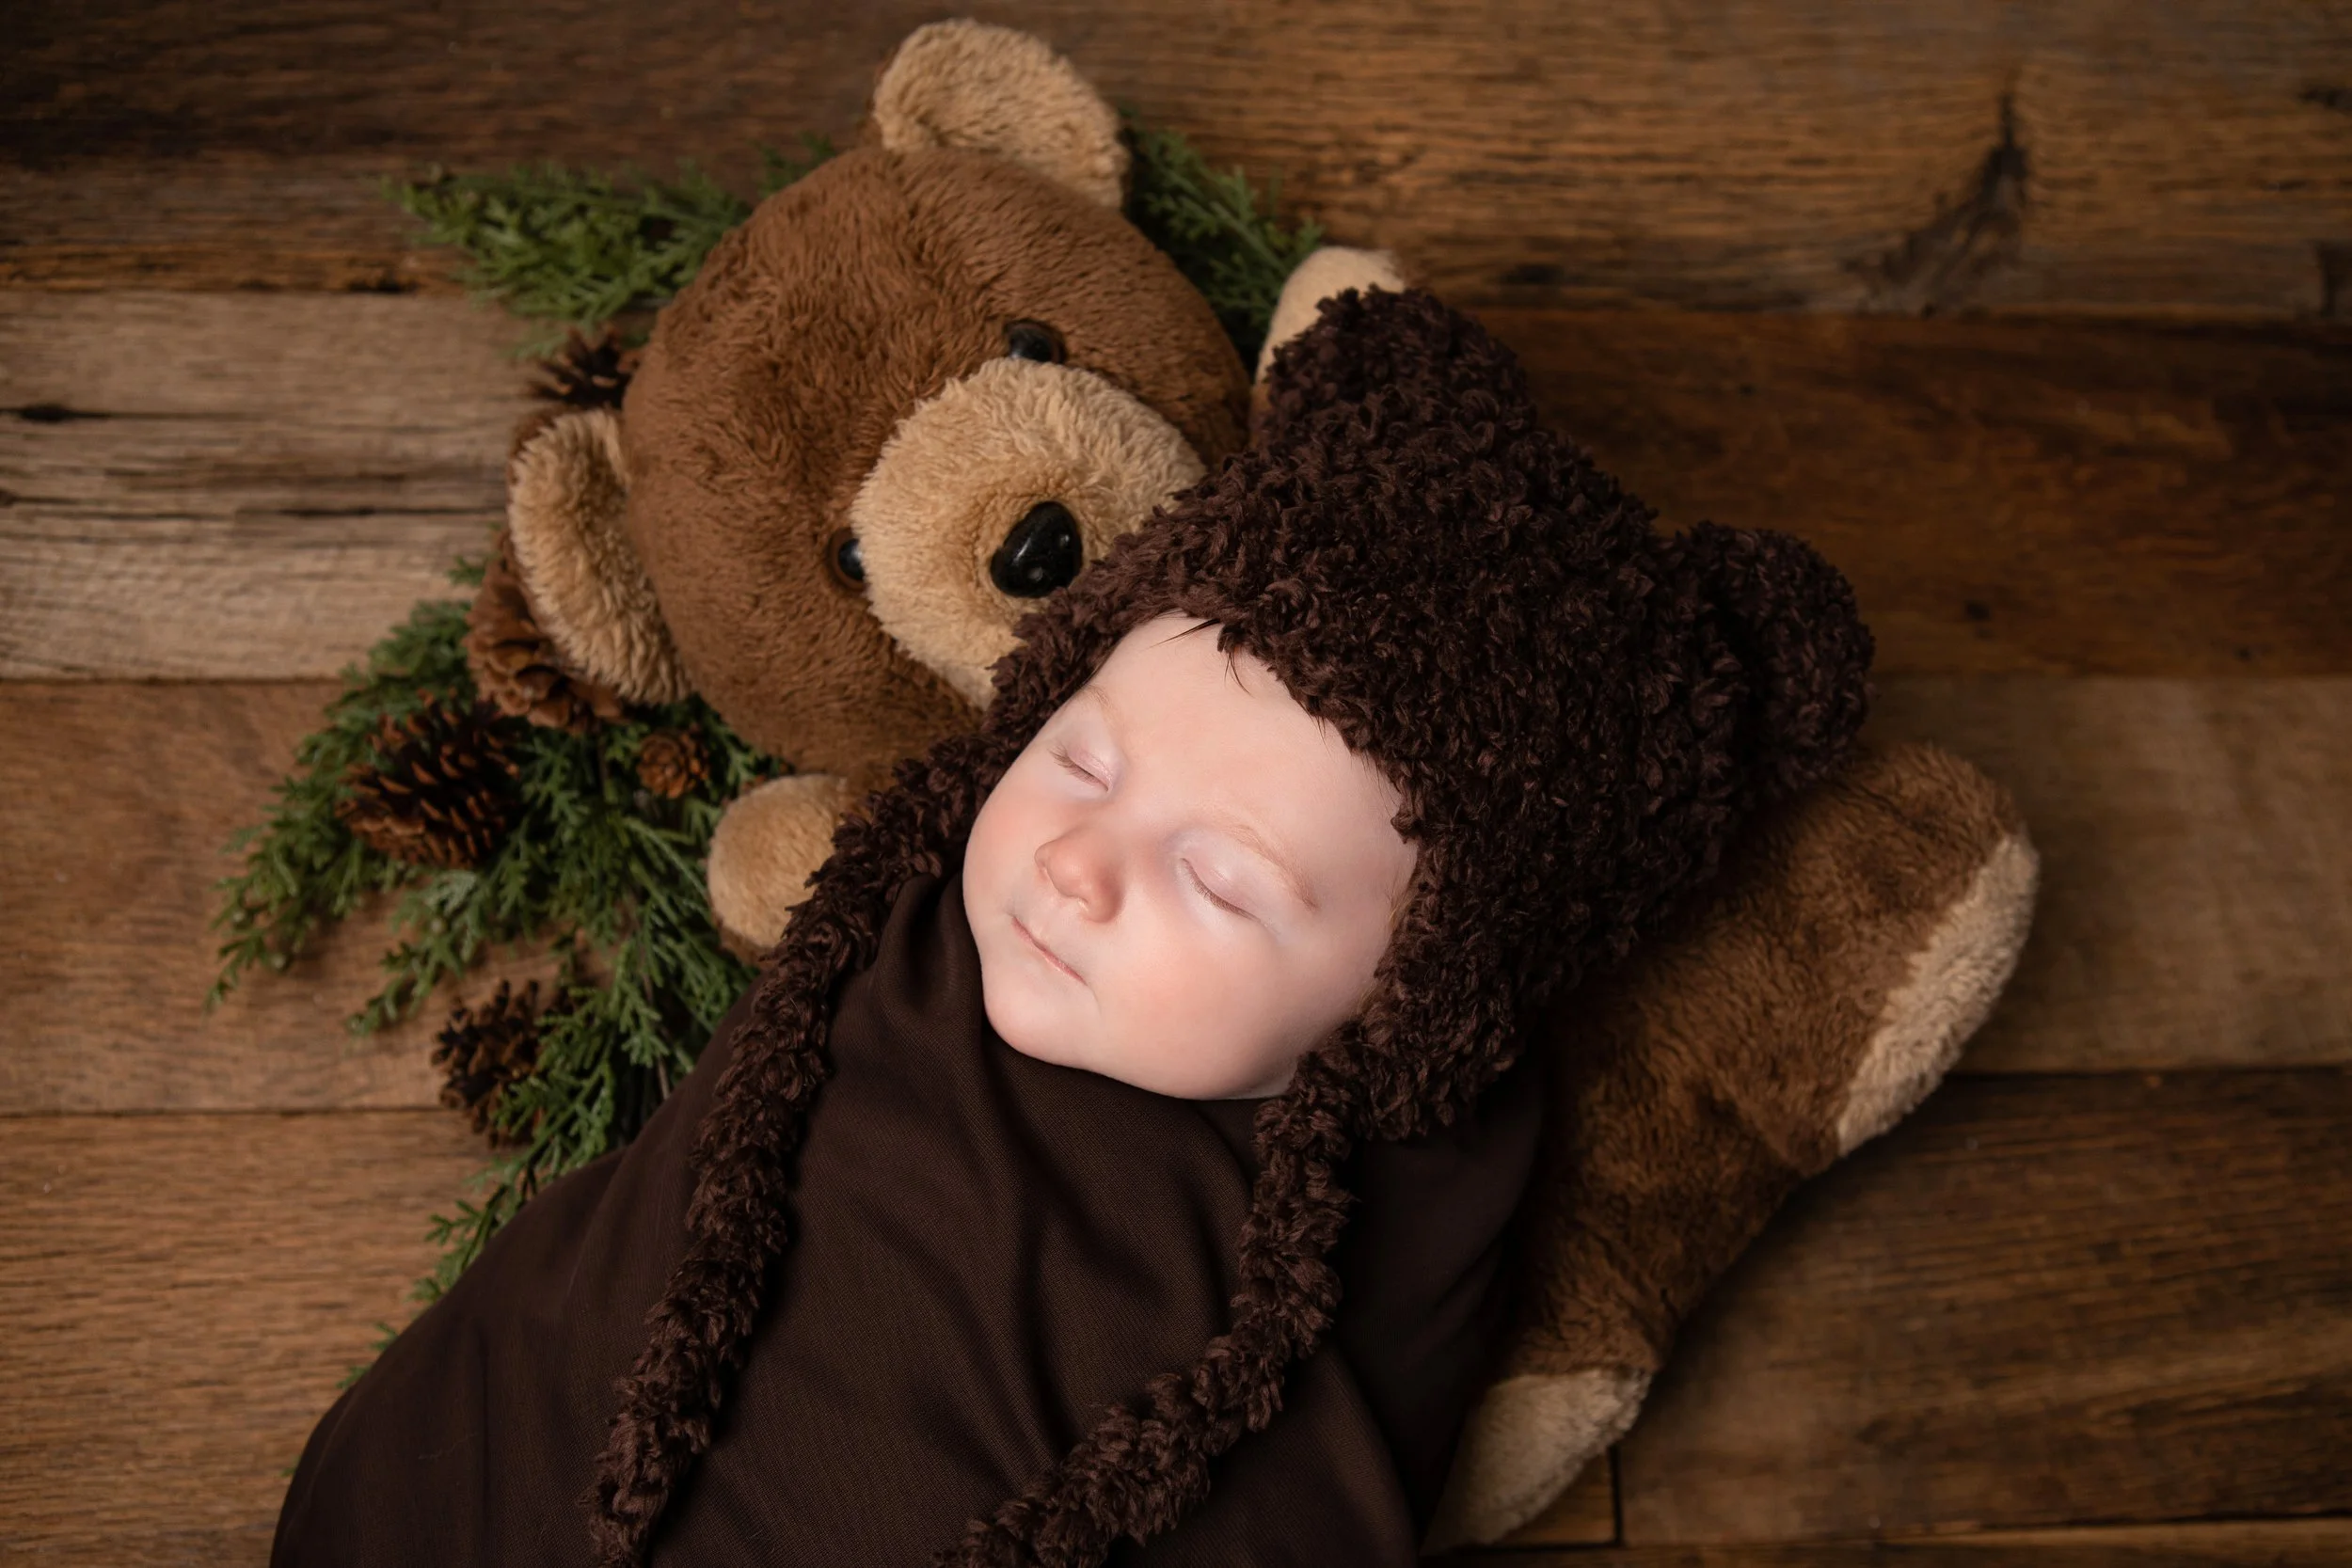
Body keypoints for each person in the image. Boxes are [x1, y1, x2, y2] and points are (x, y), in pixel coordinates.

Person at [272, 288, 1871, 1568]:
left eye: (1225, 880)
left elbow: (1333, 1477)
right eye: (1083, 755)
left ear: (1411, 1002)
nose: (1079, 862)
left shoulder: (1388, 1197)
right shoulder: (908, 896)